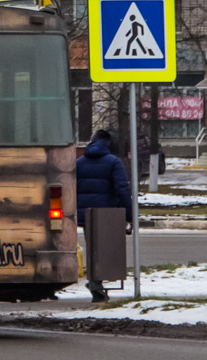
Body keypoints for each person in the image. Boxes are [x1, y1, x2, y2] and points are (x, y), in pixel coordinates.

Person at [76, 129, 134, 302]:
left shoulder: (79, 162)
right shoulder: (113, 162)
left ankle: (95, 282)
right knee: (107, 250)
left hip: (87, 214)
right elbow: (122, 190)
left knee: (92, 247)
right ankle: (97, 284)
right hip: (109, 214)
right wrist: (128, 215)